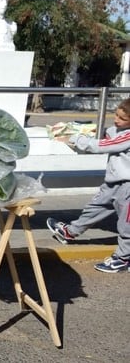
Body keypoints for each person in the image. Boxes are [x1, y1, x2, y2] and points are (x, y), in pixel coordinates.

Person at [46, 98, 130, 273]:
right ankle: (70, 231)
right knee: (95, 208)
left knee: (126, 224)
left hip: (127, 187)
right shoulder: (118, 130)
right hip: (113, 182)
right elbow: (109, 135)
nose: (116, 120)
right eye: (116, 115)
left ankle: (123, 258)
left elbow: (103, 146)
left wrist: (75, 138)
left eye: (122, 119)